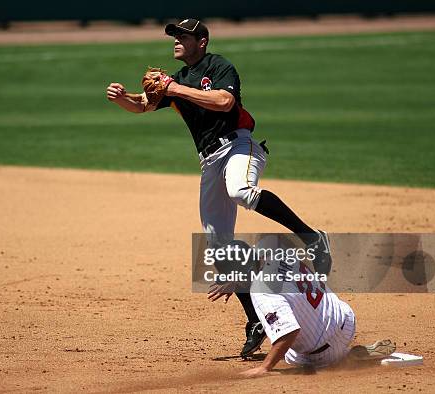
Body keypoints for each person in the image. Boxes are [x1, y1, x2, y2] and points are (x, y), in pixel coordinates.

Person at [106, 18, 332, 358]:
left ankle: (311, 236)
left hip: (240, 146)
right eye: (174, 36)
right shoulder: (178, 79)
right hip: (209, 161)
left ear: (202, 40)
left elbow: (225, 103)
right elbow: (143, 104)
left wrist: (173, 89)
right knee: (218, 246)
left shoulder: (219, 65)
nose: (177, 41)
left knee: (240, 191)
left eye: (183, 36)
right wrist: (122, 98)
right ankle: (256, 320)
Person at [207, 236, 395, 378]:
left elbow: (289, 332)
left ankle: (346, 358)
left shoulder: (261, 291)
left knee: (291, 356)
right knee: (295, 311)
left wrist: (264, 368)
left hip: (326, 350)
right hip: (344, 316)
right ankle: (338, 351)